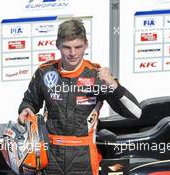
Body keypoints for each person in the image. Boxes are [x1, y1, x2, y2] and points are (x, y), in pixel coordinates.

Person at [18, 19, 142, 175]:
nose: (72, 53)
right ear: (57, 45)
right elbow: (30, 102)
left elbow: (136, 112)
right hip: (49, 155)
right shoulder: (45, 71)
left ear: (86, 45)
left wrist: (113, 85)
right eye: (66, 47)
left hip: (83, 157)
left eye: (78, 47)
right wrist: (25, 109)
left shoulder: (97, 75)